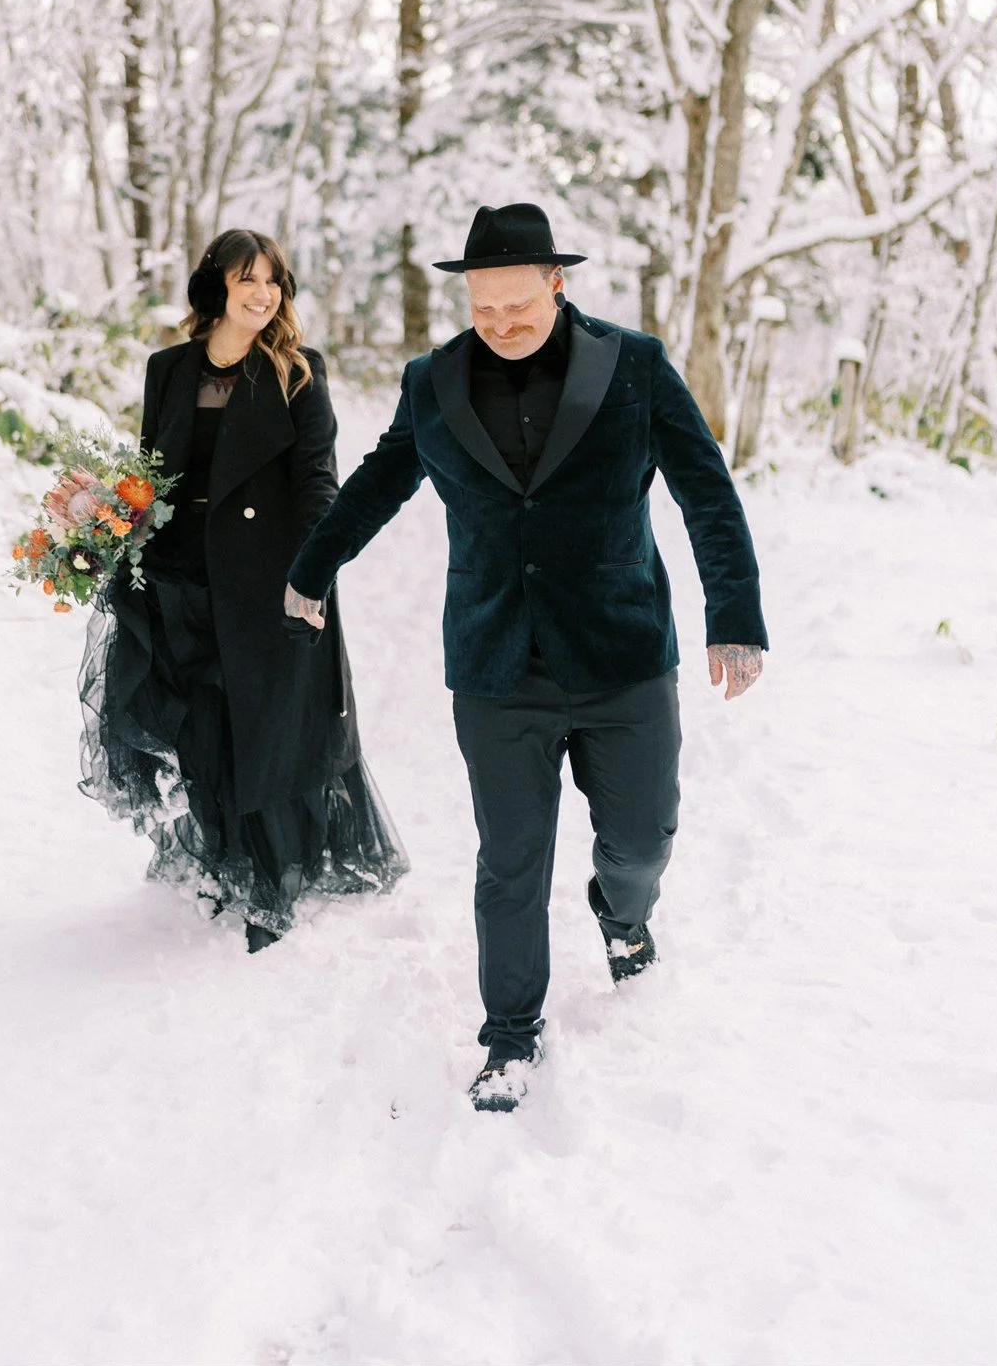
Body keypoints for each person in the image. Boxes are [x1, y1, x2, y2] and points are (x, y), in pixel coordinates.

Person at [285, 202, 767, 1108]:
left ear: (557, 282)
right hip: (496, 663)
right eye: (483, 310)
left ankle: (622, 917)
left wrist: (733, 613)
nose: (501, 325)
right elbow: (382, 481)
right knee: (509, 859)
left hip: (620, 653)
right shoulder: (432, 383)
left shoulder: (633, 367)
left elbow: (706, 491)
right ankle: (509, 1036)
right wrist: (311, 568)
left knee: (642, 838)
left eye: (518, 306)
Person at [79, 227, 407, 950]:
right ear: (216, 289)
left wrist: (315, 569)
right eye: (247, 280)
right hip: (176, 571)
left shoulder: (296, 371)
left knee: (266, 725)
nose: (263, 294)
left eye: (274, 281)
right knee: (200, 721)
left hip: (271, 575)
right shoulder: (168, 369)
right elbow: (151, 475)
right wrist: (101, 519)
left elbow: (316, 477)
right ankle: (222, 860)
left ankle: (269, 881)